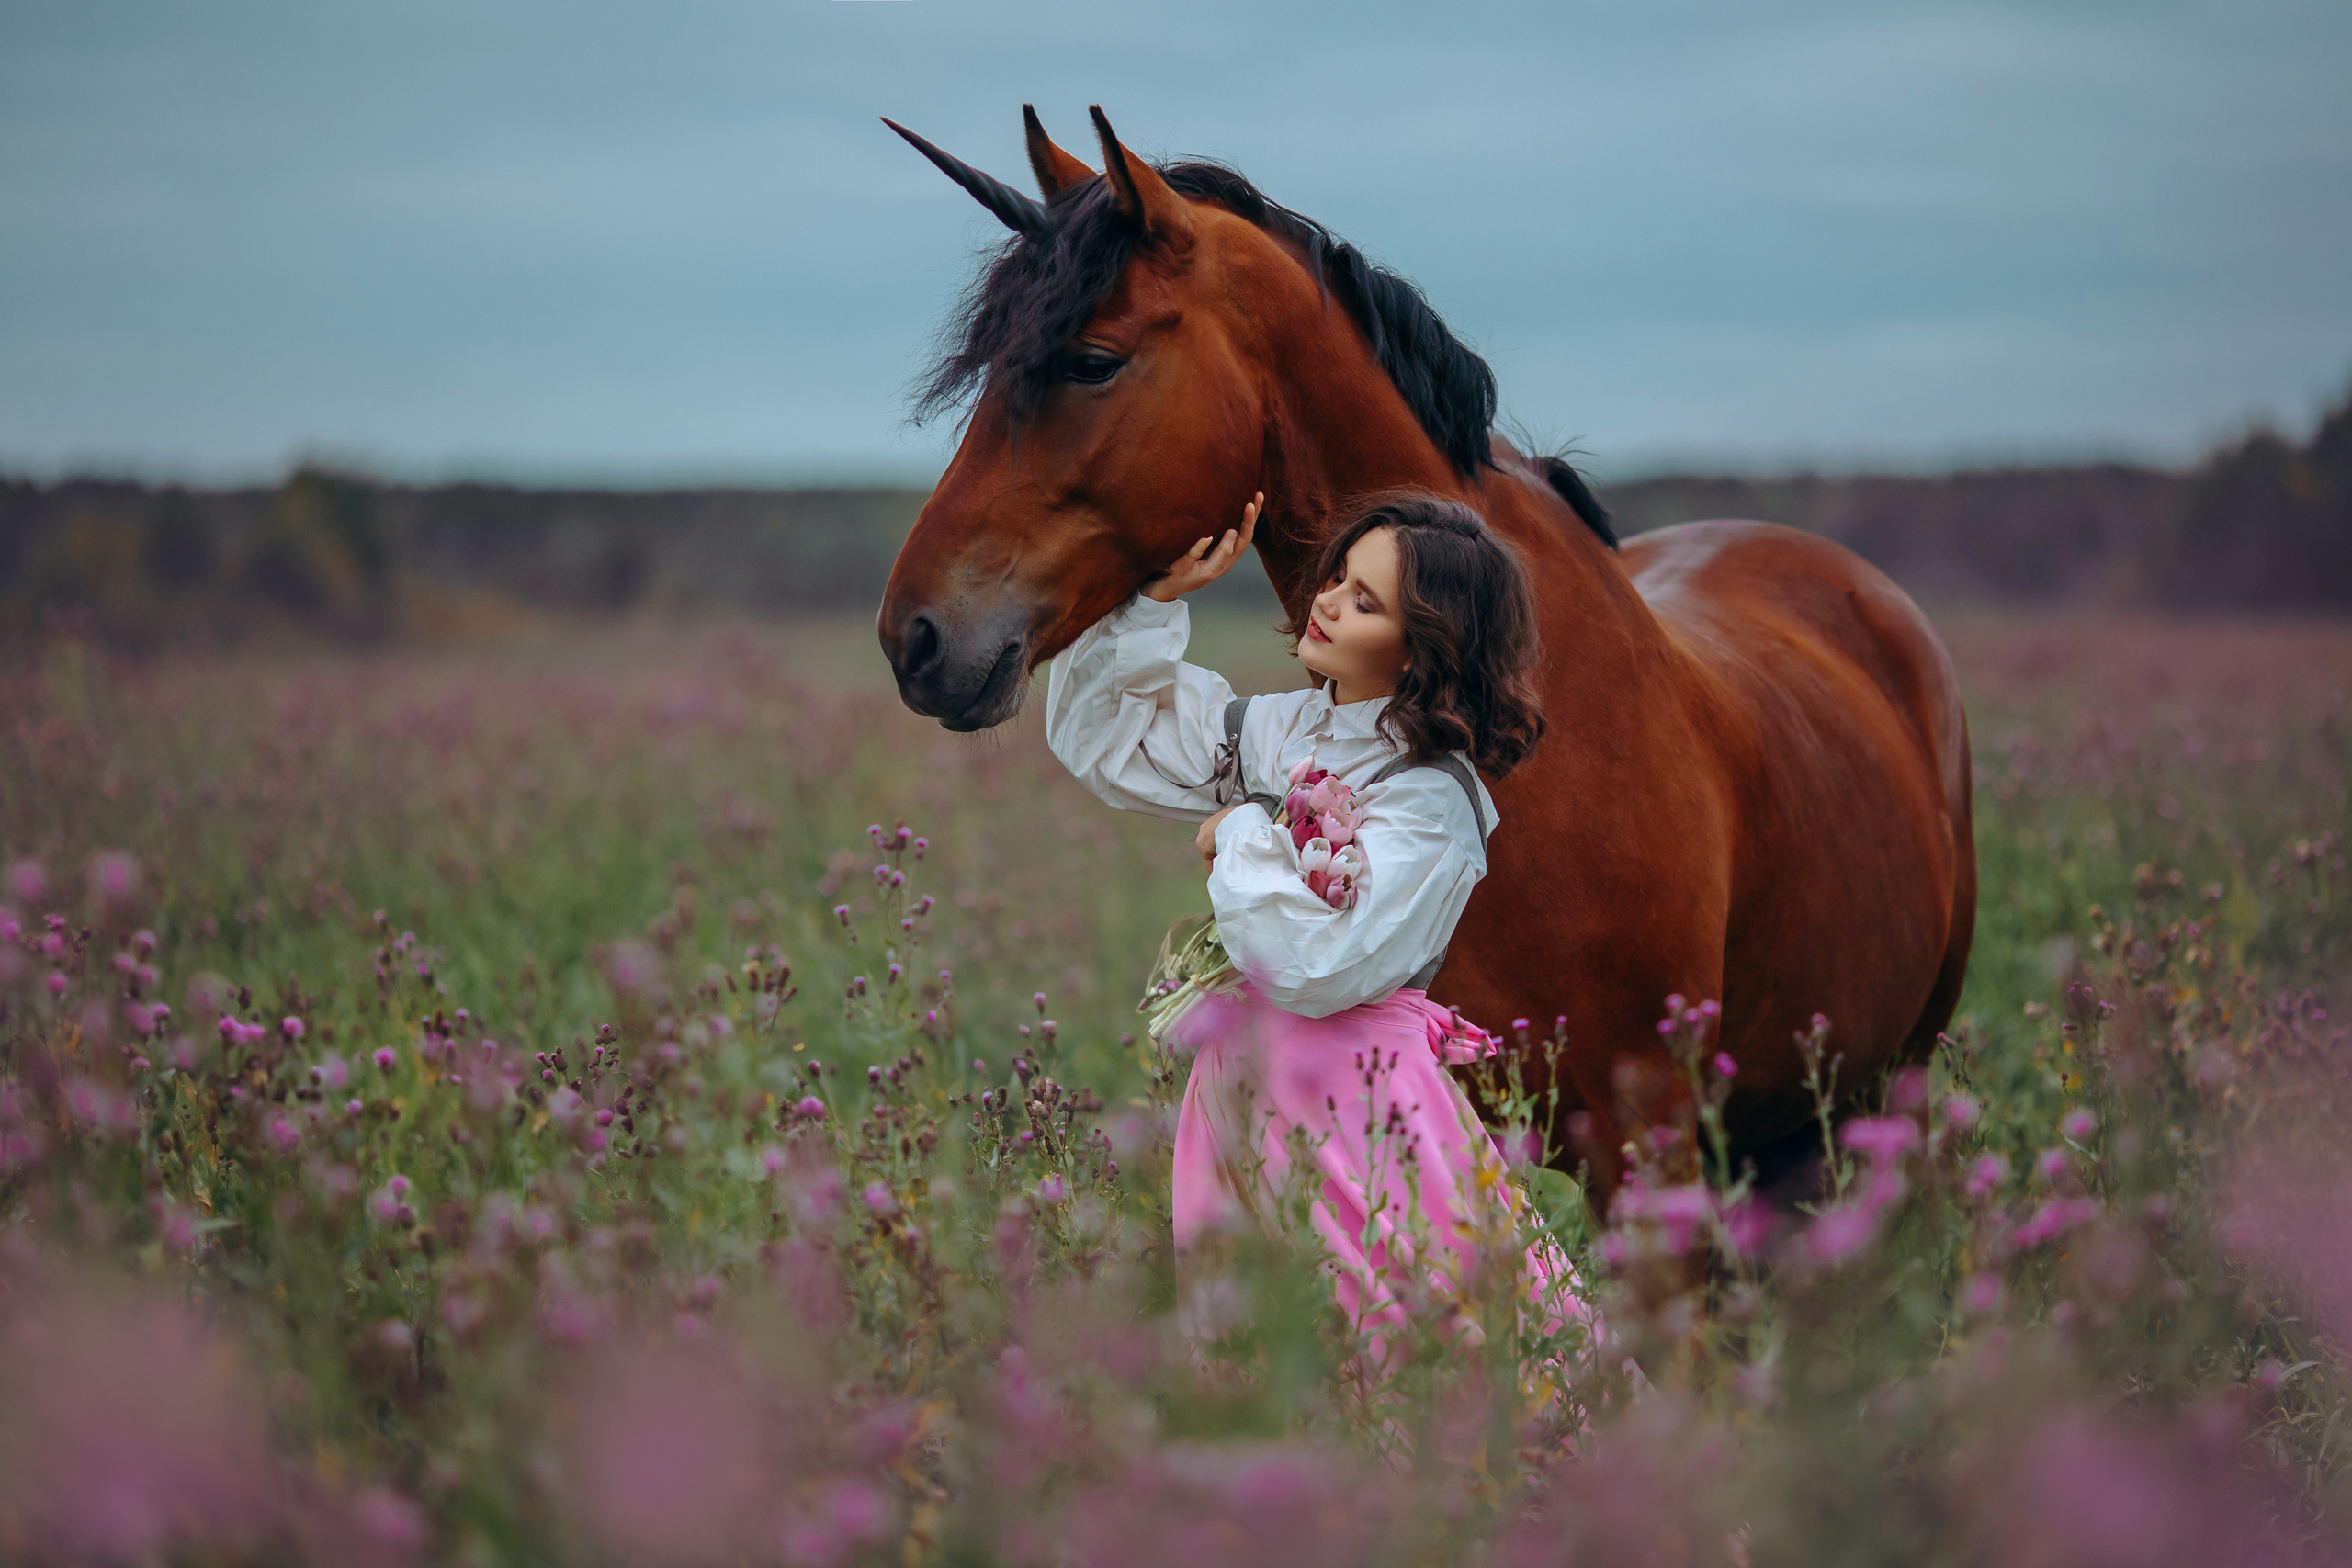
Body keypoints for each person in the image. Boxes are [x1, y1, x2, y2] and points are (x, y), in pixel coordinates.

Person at [1046, 489, 1589, 1371]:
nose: (1327, 600)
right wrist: (1151, 603)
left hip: (1355, 1099)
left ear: (1427, 647)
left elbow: (1315, 965)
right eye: (1338, 576)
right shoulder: (1288, 726)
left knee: (1413, 1354)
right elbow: (1109, 741)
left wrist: (1244, 829)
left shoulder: (1431, 798)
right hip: (1240, 1084)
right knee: (1262, 1365)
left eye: (1366, 601)